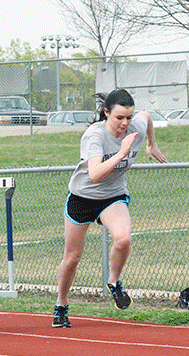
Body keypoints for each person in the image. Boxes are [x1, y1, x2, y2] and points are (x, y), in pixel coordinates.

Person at [53, 89, 166, 328]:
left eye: (128, 117)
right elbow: (94, 174)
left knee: (123, 239)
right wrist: (123, 152)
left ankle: (113, 282)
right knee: (73, 257)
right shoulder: (94, 136)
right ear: (106, 113)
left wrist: (151, 144)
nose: (125, 123)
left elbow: (146, 117)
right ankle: (61, 305)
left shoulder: (136, 124)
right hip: (83, 196)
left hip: (112, 196)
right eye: (119, 118)